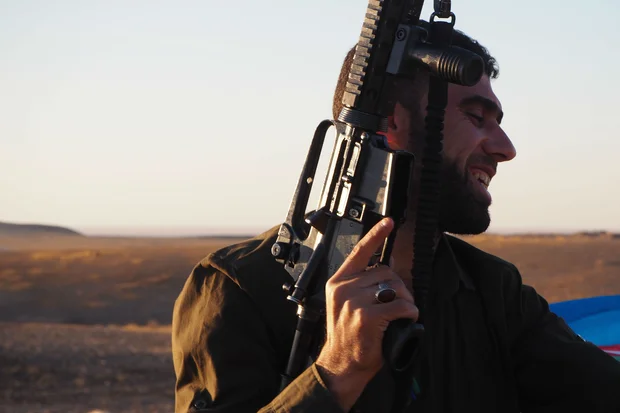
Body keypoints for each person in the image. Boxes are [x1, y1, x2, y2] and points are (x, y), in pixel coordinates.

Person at [171, 23, 620, 413]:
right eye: (476, 117)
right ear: (390, 123)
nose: (506, 148)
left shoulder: (494, 291)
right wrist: (337, 372)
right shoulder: (239, 287)